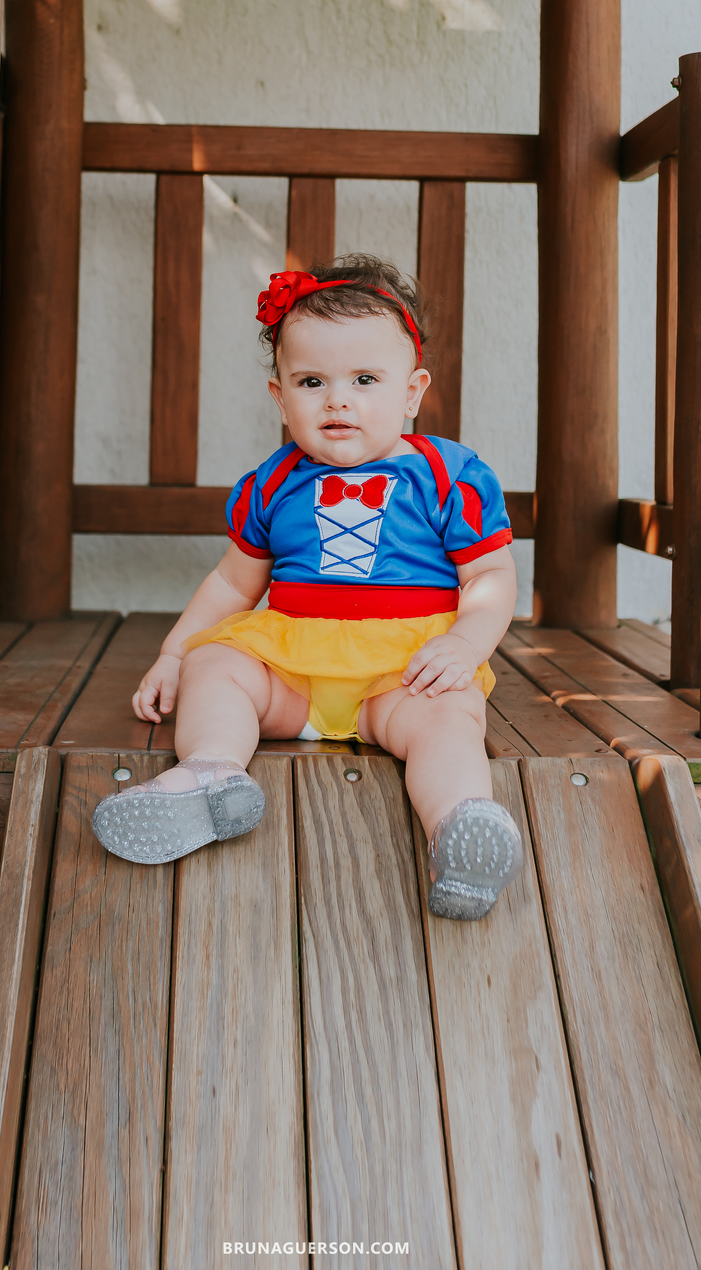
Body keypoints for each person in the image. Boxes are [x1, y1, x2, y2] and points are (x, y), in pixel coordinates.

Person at [92, 255, 522, 920]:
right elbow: (232, 585)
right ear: (280, 396)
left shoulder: (448, 475)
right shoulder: (273, 481)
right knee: (218, 663)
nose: (338, 399)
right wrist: (177, 655)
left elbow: (490, 577)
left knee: (448, 720)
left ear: (412, 391)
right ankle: (210, 776)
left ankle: (460, 831)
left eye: (366, 380)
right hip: (292, 669)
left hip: (402, 675)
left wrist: (466, 644)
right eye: (312, 381)